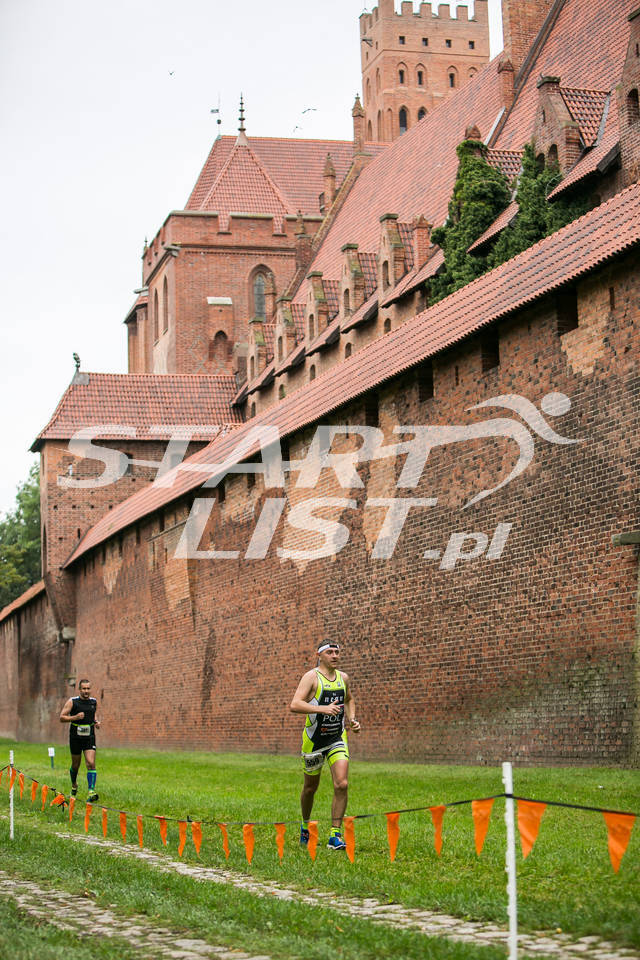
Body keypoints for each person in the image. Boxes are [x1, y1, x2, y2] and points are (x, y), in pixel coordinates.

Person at [290, 641, 360, 851]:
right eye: (330, 652)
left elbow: (349, 699)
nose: (335, 655)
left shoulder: (343, 678)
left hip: (336, 738)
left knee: (342, 784)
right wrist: (323, 709)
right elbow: (295, 704)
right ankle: (305, 825)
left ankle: (334, 835)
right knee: (310, 788)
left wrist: (352, 719)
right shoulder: (311, 677)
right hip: (314, 741)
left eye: (337, 652)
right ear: (319, 655)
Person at [60, 678, 101, 802]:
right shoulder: (72, 702)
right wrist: (75, 717)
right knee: (75, 765)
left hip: (89, 736)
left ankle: (91, 791)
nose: (86, 691)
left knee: (91, 763)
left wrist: (96, 721)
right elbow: (62, 717)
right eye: (84, 689)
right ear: (79, 689)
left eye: (88, 688)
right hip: (75, 737)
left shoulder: (94, 702)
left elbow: (93, 714)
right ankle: (74, 785)